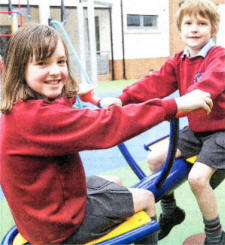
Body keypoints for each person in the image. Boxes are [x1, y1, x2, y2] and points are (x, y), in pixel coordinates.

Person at [0, 23, 212, 245]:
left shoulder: (20, 107)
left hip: (42, 210)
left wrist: (71, 95)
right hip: (59, 225)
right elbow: (110, 124)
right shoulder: (38, 119)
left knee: (114, 180)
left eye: (60, 62)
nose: (55, 71)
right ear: (19, 69)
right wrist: (175, 105)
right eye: (43, 63)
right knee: (147, 198)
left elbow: (56, 112)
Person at [100, 0, 225, 244]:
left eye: (202, 23)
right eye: (188, 23)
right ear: (180, 29)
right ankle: (171, 211)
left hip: (221, 130)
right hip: (197, 130)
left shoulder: (218, 56)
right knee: (155, 159)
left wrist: (181, 105)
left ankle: (215, 235)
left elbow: (209, 85)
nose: (194, 28)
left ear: (213, 29)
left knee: (197, 179)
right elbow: (154, 83)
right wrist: (122, 98)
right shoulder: (179, 60)